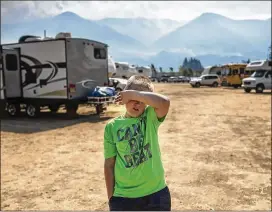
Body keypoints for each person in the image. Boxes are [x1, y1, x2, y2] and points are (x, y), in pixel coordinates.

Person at [103, 75, 171, 211]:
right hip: (124, 198)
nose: (137, 103)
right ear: (124, 98)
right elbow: (109, 165)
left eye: (141, 100)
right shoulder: (112, 127)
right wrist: (112, 198)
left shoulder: (150, 117)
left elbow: (165, 102)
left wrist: (135, 94)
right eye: (133, 99)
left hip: (156, 195)